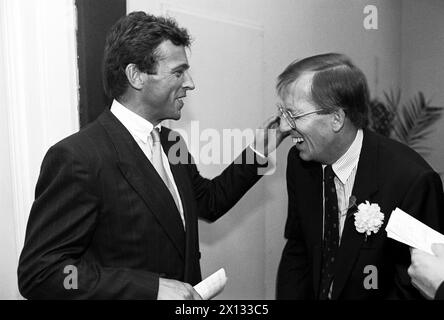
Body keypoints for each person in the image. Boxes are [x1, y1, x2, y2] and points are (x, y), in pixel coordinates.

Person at [17, 11, 285, 299]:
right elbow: (42, 274)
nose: (190, 83)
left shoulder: (172, 142)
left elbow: (208, 201)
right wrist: (150, 289)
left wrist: (259, 150)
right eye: (178, 72)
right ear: (136, 76)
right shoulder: (78, 157)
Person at [275, 53, 444, 299]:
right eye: (282, 113)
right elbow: (298, 248)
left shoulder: (412, 182)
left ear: (336, 118)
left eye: (294, 115)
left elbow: (415, 286)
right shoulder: (300, 164)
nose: (283, 127)